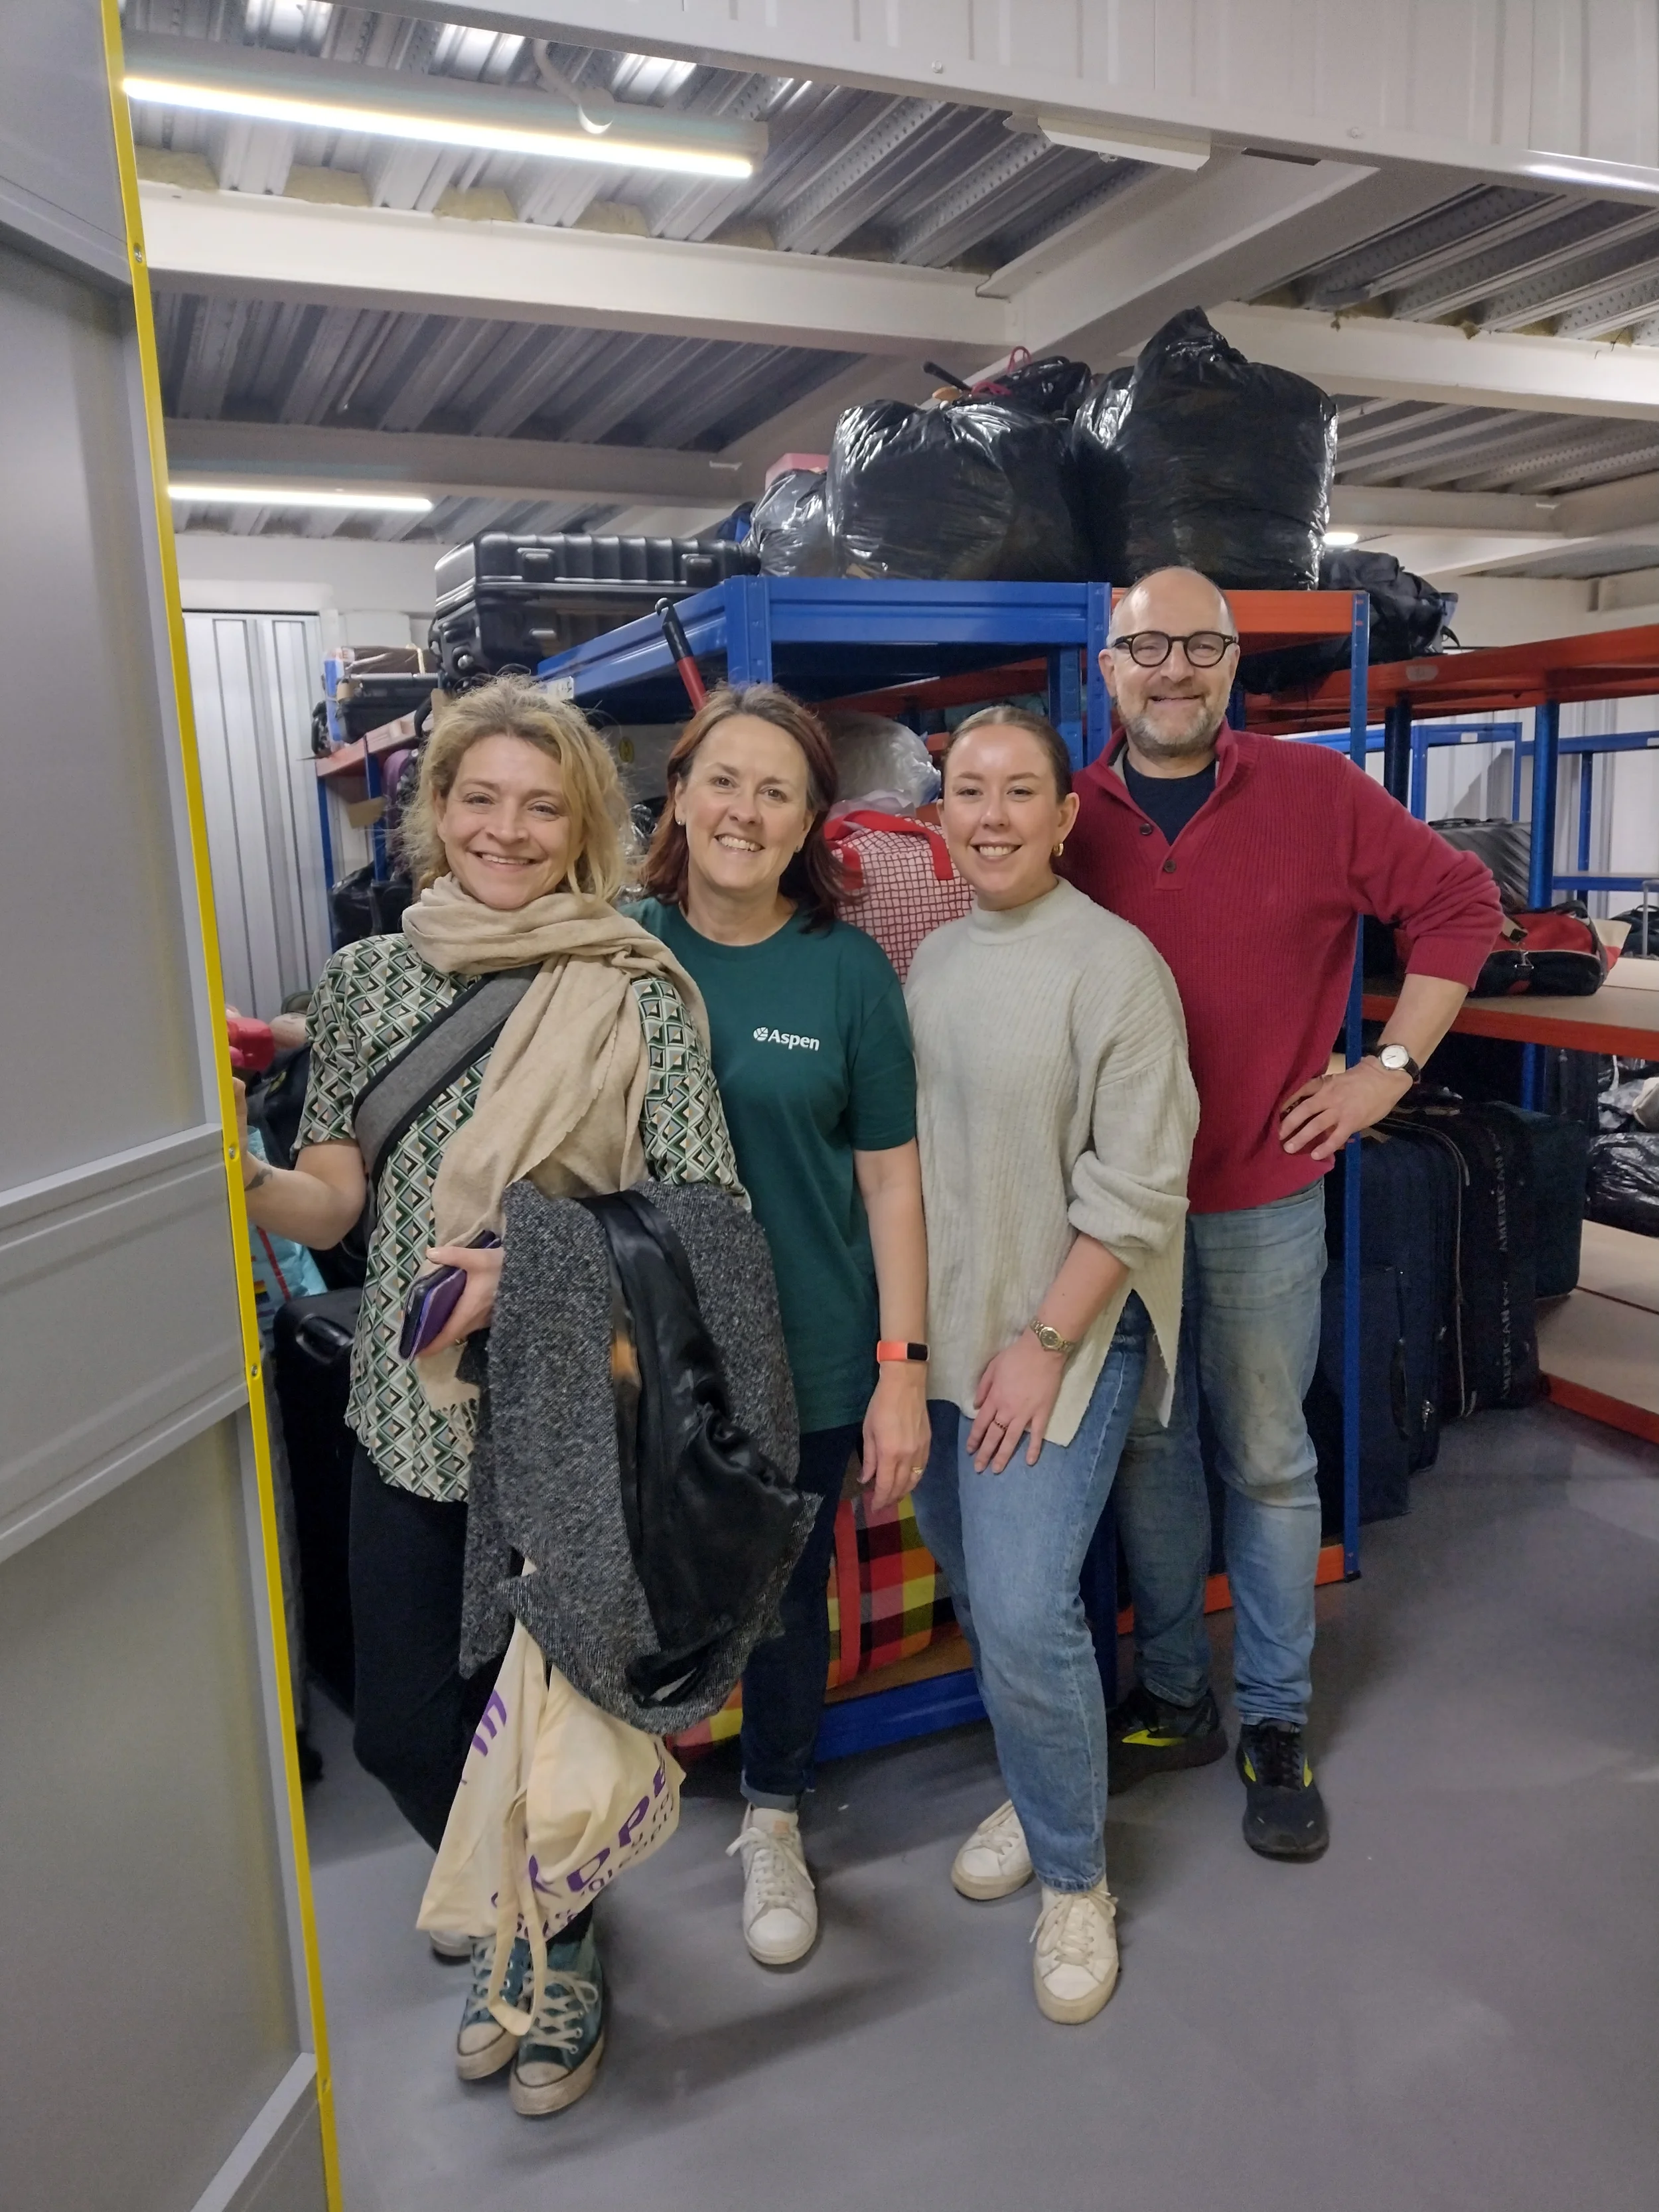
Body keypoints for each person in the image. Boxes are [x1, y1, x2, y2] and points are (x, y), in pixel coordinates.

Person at [237, 675, 744, 2118]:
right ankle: (536, 1904)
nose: (506, 831)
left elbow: (700, 1212)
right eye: (479, 799)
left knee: (559, 1731)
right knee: (407, 1723)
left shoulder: (632, 981)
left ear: (581, 822)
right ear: (432, 812)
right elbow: (339, 1192)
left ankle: (553, 1943)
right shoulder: (367, 982)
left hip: (569, 1429)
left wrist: (538, 1262)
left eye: (540, 805)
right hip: (408, 1424)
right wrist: (251, 1180)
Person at [1062, 565, 1502, 1862]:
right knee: (1147, 1460)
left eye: (1201, 646)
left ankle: (1270, 1716)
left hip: (1260, 1195)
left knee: (1262, 1454)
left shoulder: (1313, 794)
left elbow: (1458, 907)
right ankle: (1177, 1697)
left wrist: (1385, 1073)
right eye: (1147, 647)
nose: (1173, 669)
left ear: (1232, 660)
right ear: (1108, 665)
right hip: (1113, 1217)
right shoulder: (1064, 818)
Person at [630, 683, 930, 1969]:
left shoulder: (845, 967)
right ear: (681, 793)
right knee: (639, 1586)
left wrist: (898, 1369)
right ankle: (601, 1827)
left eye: (776, 788)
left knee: (786, 1599)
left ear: (810, 816)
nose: (743, 809)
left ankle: (770, 1815)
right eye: (722, 779)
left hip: (809, 1350)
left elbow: (890, 1181)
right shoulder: (621, 949)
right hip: (649, 1355)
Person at [904, 705, 1196, 2024]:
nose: (994, 816)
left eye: (1022, 790)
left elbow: (1136, 1192)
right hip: (951, 1334)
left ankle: (1075, 1878)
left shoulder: (1115, 965)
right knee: (985, 1590)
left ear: (1066, 814)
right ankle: (1041, 1783)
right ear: (939, 812)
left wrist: (1038, 1346)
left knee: (1026, 1608)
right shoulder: (932, 961)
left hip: (1061, 1336)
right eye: (970, 791)